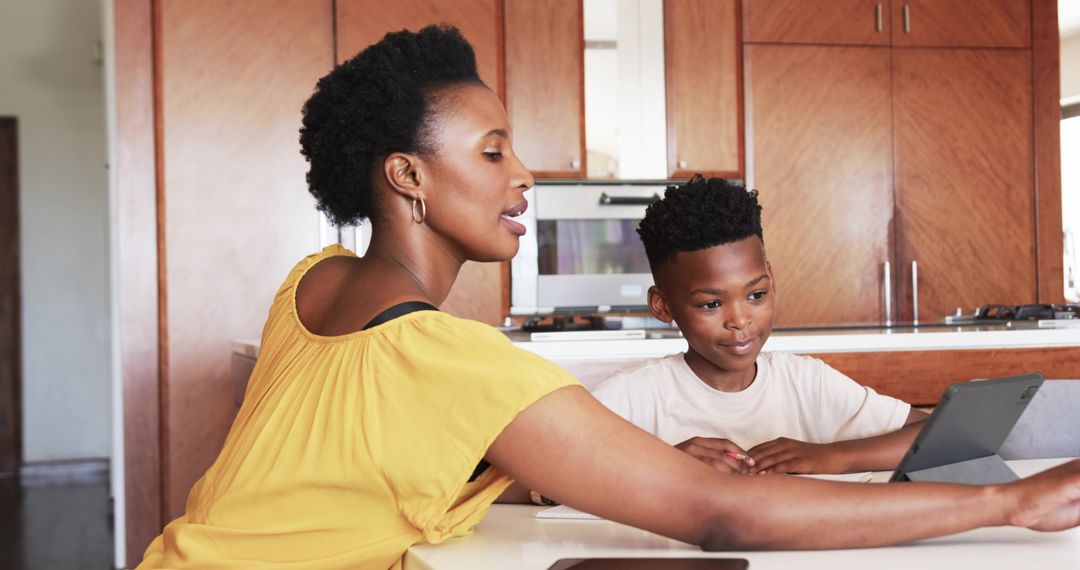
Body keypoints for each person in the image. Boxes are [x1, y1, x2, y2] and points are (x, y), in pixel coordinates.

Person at [136, 24, 1080, 570]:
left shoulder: (312, 285)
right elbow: (722, 515)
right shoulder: (451, 357)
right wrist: (1012, 506)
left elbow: (355, 459)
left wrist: (609, 458)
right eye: (494, 151)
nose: (525, 174)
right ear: (406, 176)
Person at [591, 175, 928, 475]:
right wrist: (662, 465)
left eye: (756, 295)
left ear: (771, 279)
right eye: (711, 304)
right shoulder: (634, 396)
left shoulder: (806, 383)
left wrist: (829, 456)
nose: (740, 321)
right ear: (663, 306)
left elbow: (932, 433)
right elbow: (539, 474)